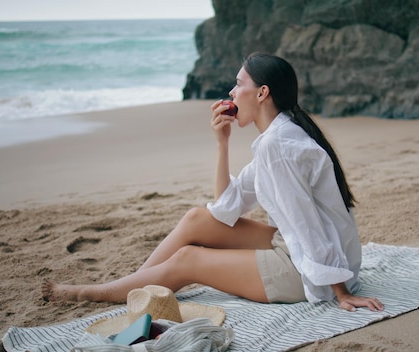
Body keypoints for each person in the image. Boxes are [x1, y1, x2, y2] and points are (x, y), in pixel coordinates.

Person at [42, 52, 383, 313]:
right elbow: (224, 209)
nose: (232, 92)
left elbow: (307, 224)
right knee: (197, 219)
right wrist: (222, 144)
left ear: (262, 93)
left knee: (187, 260)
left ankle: (97, 292)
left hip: (310, 273)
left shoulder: (277, 145)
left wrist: (341, 292)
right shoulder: (279, 135)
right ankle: (133, 287)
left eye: (239, 83)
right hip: (298, 249)